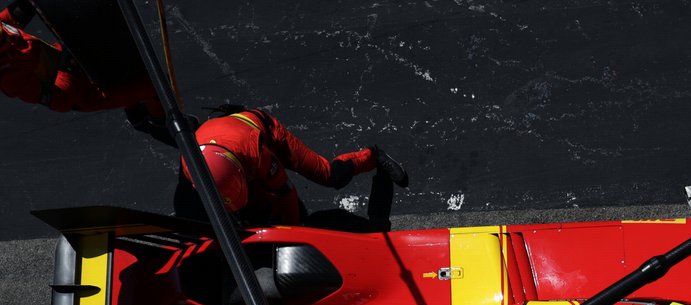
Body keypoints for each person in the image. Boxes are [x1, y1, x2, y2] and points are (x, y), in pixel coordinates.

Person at [178, 106, 409, 226]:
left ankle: (373, 156)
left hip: (266, 134)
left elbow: (286, 193)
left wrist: (294, 231)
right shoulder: (190, 166)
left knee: (329, 175)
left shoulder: (258, 154)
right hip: (230, 141)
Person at [0, 0, 161, 119]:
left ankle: (134, 106)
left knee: (126, 62)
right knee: (155, 86)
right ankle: (161, 119)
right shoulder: (9, 80)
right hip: (84, 90)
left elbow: (12, 17)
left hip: (79, 54)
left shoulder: (2, 30)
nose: (6, 37)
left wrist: (25, 4)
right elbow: (61, 100)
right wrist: (69, 63)